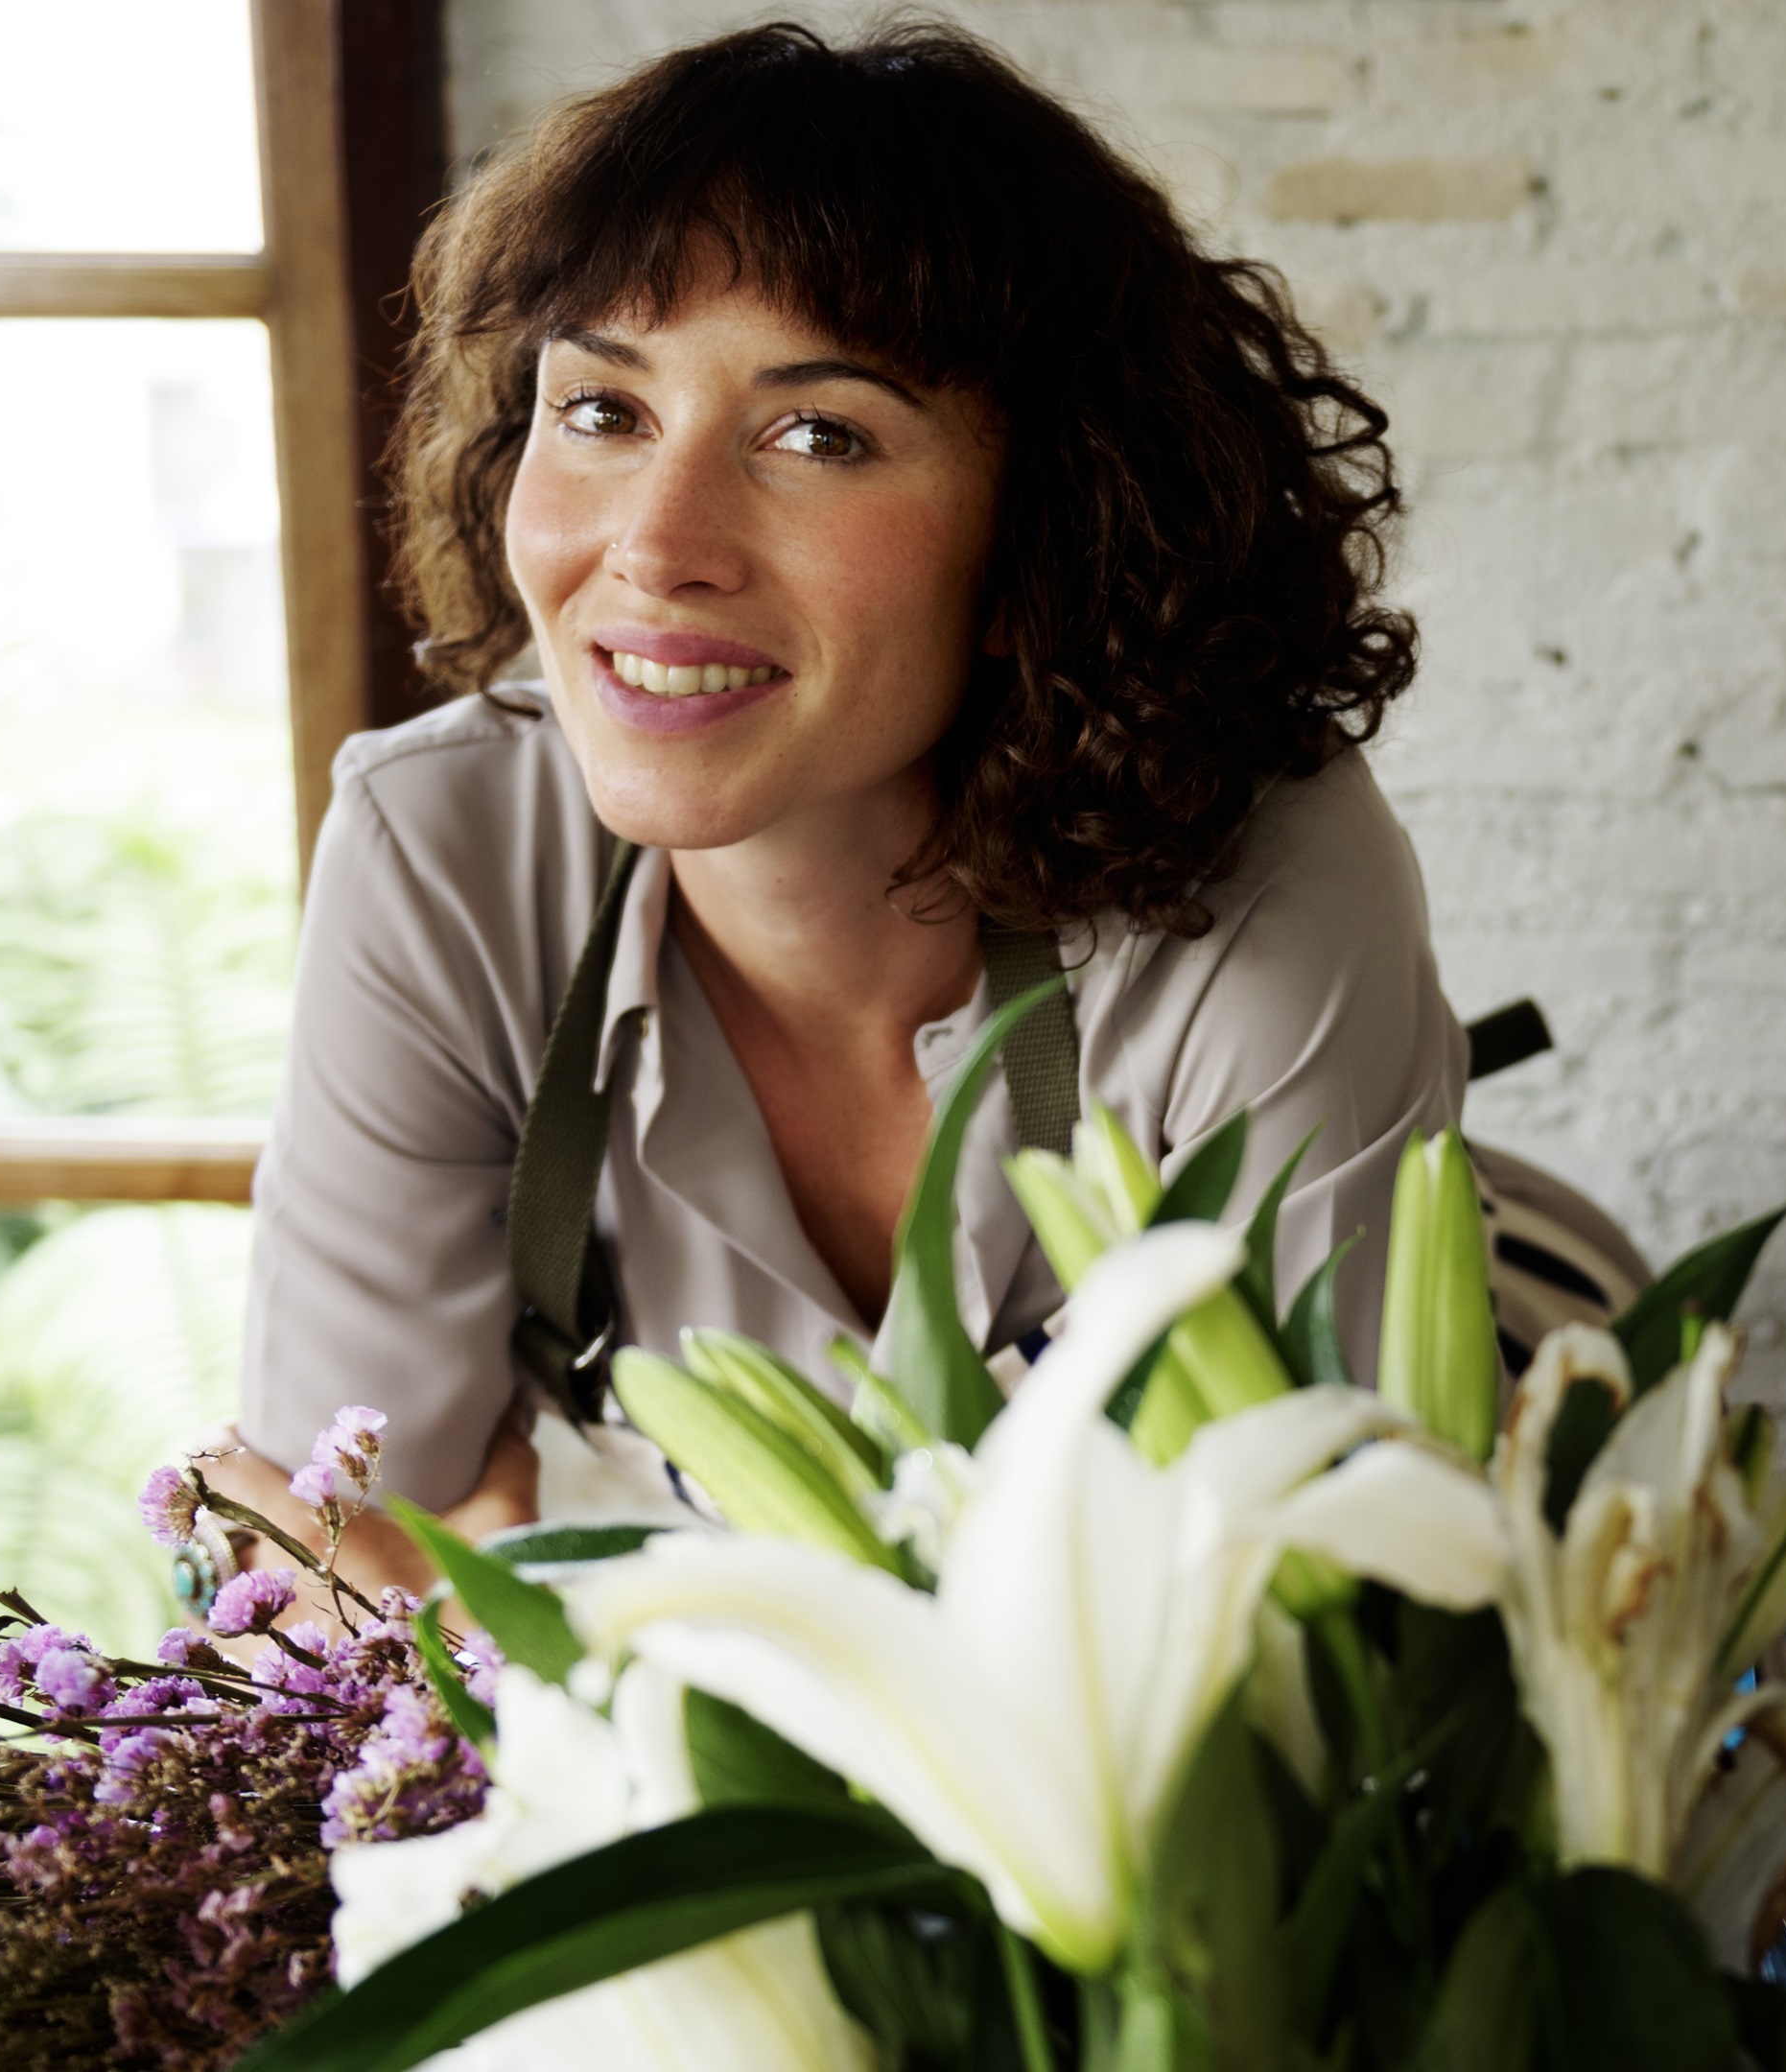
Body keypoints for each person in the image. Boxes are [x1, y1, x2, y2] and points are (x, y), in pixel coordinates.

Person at [206, 20, 1460, 1599]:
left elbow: (1307, 1625)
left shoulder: (1261, 889)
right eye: (602, 409)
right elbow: (320, 1584)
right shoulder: (440, 849)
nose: (658, 548)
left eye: (820, 436)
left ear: (1043, 537)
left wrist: (523, 1564)